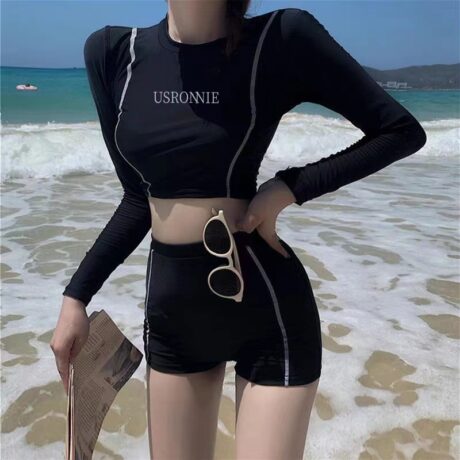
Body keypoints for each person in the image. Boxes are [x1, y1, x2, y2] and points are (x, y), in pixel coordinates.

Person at [50, 1, 427, 458]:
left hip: (267, 311)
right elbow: (137, 198)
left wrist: (289, 187)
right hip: (173, 317)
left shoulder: (279, 38)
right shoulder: (114, 52)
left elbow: (399, 131)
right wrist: (76, 297)